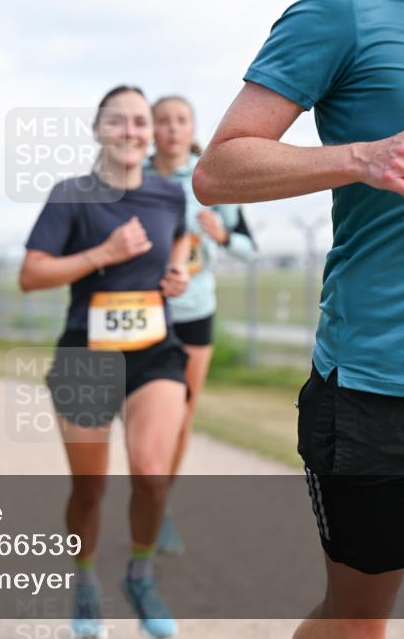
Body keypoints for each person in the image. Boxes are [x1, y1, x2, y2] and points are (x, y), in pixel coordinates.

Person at [192, 0, 404, 637]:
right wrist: (363, 157)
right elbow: (218, 171)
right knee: (355, 621)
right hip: (380, 397)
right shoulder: (347, 4)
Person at [19, 85, 191, 639]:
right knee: (90, 489)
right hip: (86, 357)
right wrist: (104, 254)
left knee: (151, 473)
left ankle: (140, 574)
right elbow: (31, 274)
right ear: (98, 130)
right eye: (118, 122)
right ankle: (85, 578)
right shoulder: (71, 194)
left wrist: (179, 270)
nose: (132, 132)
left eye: (140, 123)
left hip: (154, 354)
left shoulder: (168, 194)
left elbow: (182, 240)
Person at [145, 94, 257, 555]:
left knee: (181, 418)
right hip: (144, 314)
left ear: (192, 129)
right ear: (150, 130)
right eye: (162, 121)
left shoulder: (210, 180)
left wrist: (223, 234)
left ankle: (158, 509)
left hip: (195, 313)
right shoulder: (134, 179)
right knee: (146, 416)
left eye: (180, 120)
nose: (172, 128)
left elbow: (250, 248)